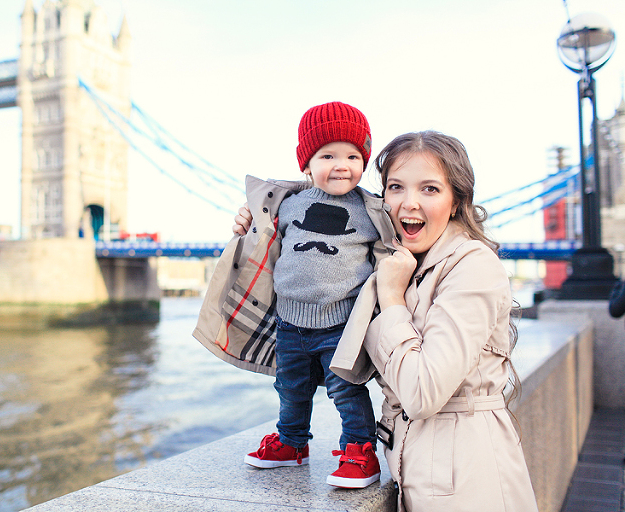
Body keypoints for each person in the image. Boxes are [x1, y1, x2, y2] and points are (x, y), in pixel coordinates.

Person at [325, 131, 537, 511]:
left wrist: (390, 299)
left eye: (429, 189)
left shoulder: (473, 265)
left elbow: (423, 393)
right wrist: (260, 220)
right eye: (395, 187)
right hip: (423, 471)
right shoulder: (399, 261)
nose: (409, 204)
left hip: (470, 481)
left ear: (456, 201)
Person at [193, 102, 398, 488]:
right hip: (290, 322)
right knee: (290, 387)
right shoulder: (288, 204)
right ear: (306, 164)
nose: (342, 165)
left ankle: (359, 450)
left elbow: (393, 249)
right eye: (328, 155)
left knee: (346, 388)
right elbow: (261, 237)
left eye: (353, 156)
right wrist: (247, 220)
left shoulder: (371, 209)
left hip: (341, 323)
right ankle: (292, 442)